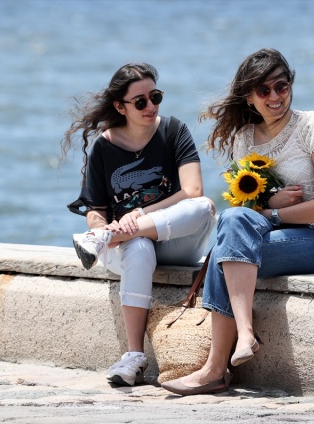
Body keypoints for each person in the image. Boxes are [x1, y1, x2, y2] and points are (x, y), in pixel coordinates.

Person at [161, 48, 314, 396]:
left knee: (222, 253)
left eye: (282, 86)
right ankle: (243, 334)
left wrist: (274, 214)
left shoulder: (311, 125)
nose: (275, 97)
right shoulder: (242, 139)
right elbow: (242, 205)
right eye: (264, 90)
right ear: (249, 97)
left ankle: (216, 369)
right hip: (268, 234)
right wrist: (269, 202)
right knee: (230, 227)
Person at [60, 63, 216, 387]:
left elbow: (193, 191)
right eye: (141, 101)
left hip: (172, 239)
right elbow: (95, 211)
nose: (151, 106)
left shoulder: (173, 130)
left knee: (205, 207)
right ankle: (133, 357)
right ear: (121, 106)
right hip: (127, 248)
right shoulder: (104, 147)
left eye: (155, 97)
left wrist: (140, 217)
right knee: (139, 245)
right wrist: (110, 229)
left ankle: (117, 236)